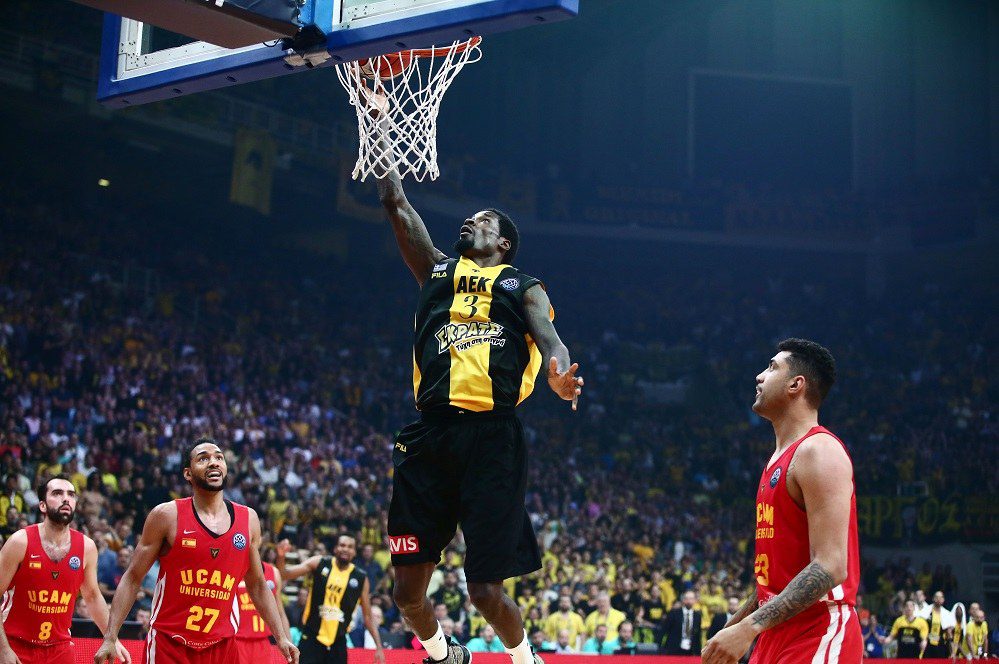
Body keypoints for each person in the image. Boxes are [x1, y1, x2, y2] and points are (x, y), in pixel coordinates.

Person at [374, 99, 583, 664]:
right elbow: (395, 200)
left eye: (484, 220)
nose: (470, 221)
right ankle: (444, 653)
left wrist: (560, 374)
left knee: (485, 591)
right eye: (469, 219)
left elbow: (550, 338)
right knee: (406, 593)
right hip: (430, 435)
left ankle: (525, 659)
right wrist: (379, 121)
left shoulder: (522, 285)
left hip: (493, 437)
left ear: (504, 242)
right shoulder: (436, 270)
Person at [703, 339, 862, 664]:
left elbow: (831, 566)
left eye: (772, 367)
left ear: (795, 385)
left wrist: (748, 628)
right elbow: (777, 580)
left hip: (818, 630)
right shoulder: (777, 461)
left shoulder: (820, 450)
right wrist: (734, 626)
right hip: (775, 635)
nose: (759, 376)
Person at [93, 438, 298, 664]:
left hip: (222, 646)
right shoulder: (166, 515)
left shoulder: (248, 519)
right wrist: (110, 636)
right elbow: (133, 577)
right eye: (203, 459)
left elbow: (257, 585)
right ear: (188, 473)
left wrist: (281, 637)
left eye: (219, 457)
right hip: (170, 644)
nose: (214, 462)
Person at [0, 476, 130, 664]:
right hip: (15, 645)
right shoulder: (20, 542)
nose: (66, 498)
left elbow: (92, 596)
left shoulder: (86, 547)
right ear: (42, 505)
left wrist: (112, 639)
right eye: (57, 493)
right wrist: (3, 649)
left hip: (60, 649)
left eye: (71, 494)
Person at [275, 535, 384, 664]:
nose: (345, 549)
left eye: (350, 547)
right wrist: (281, 556)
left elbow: (368, 616)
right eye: (342, 545)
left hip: (338, 641)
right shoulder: (319, 563)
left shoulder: (361, 578)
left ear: (355, 552)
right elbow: (284, 574)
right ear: (335, 548)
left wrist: (379, 646)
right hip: (312, 636)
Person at [235, 559, 290, 663]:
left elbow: (280, 614)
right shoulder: (230, 568)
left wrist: (289, 642)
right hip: (236, 640)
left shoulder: (273, 572)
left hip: (264, 642)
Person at [662, 590, 702, 656]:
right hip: (674, 648)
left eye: (691, 599)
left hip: (691, 649)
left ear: (695, 600)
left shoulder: (697, 615)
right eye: (687, 598)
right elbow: (665, 629)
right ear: (683, 600)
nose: (689, 601)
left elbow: (697, 634)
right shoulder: (674, 613)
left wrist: (698, 652)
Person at [917, 590, 955, 658]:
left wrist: (952, 652)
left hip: (940, 646)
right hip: (926, 645)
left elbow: (949, 634)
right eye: (937, 597)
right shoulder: (925, 611)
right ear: (933, 598)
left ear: (943, 600)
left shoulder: (947, 614)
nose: (938, 599)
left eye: (941, 597)